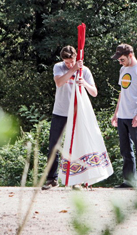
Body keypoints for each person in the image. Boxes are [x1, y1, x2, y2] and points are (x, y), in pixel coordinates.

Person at [42, 45, 98, 190]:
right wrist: (73, 70)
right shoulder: (59, 67)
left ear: (76, 58)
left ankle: (77, 180)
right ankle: (51, 178)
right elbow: (59, 83)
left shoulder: (84, 71)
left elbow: (94, 92)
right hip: (60, 111)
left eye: (71, 62)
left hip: (78, 112)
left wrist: (83, 83)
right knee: (54, 145)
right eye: (67, 62)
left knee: (77, 145)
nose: (69, 65)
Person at [110, 44, 137, 190]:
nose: (120, 62)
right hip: (123, 115)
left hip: (136, 115)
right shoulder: (123, 69)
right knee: (125, 150)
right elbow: (122, 92)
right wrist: (116, 113)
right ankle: (129, 180)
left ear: (130, 55)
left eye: (121, 59)